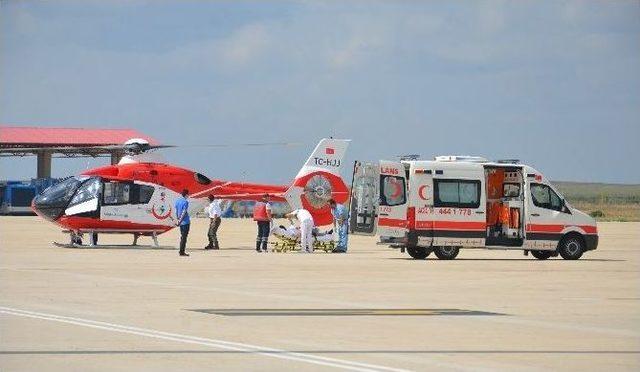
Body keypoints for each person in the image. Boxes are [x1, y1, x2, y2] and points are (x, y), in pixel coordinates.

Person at [175, 189, 191, 257]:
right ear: (186, 194)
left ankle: (181, 251)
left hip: (180, 222)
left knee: (182, 236)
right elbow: (184, 212)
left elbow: (176, 211)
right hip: (185, 222)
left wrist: (178, 220)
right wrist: (180, 221)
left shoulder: (177, 201)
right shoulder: (186, 202)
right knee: (184, 237)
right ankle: (182, 252)